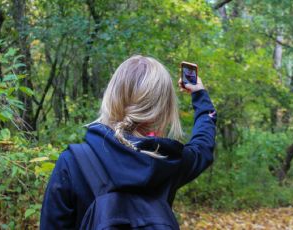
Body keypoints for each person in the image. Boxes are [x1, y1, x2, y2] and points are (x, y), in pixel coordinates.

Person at [39, 55, 217, 229]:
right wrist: (200, 95)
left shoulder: (74, 161)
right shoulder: (169, 162)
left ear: (112, 95)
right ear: (163, 107)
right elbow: (203, 146)